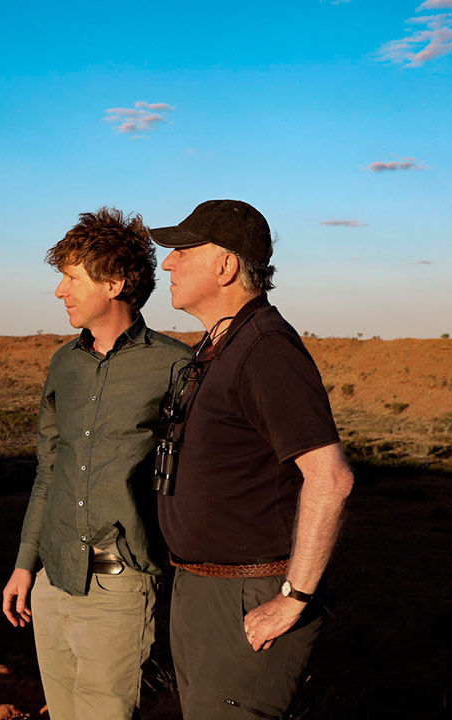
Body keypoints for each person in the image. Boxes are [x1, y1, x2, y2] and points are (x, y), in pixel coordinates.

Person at [149, 200, 354, 719]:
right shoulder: (221, 344)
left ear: (226, 265)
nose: (167, 263)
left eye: (182, 251)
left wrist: (294, 597)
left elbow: (330, 479)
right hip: (202, 587)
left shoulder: (266, 349)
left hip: (249, 593)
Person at [1, 207, 193, 720]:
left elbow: (198, 476)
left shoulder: (176, 365)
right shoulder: (64, 363)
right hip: (52, 582)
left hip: (120, 588)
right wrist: (25, 565)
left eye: (70, 278)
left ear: (114, 282)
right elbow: (49, 468)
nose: (60, 291)